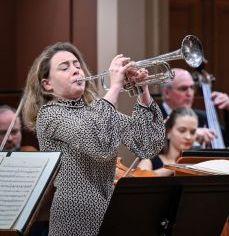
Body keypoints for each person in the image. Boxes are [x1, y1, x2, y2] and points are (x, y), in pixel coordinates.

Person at [21, 42, 167, 236]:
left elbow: (148, 145)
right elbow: (96, 143)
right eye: (64, 68)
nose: (75, 70)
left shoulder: (97, 110)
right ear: (47, 84)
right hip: (73, 220)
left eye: (77, 65)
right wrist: (115, 86)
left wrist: (143, 92)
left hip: (110, 213)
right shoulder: (50, 114)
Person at [160, 68, 229, 147]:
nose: (190, 94)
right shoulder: (152, 117)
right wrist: (192, 134)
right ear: (167, 93)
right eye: (183, 88)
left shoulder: (203, 118)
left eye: (192, 88)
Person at [138, 106, 198, 176]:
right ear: (168, 132)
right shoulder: (150, 160)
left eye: (192, 132)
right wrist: (177, 167)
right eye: (182, 131)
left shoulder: (199, 162)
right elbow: (139, 179)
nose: (188, 137)